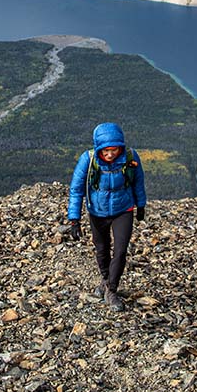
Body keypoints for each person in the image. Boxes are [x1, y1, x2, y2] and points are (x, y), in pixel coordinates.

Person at [66, 122, 146, 311]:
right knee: (102, 249)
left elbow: (138, 182)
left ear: (121, 146)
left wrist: (141, 205)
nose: (110, 155)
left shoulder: (130, 157)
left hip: (123, 210)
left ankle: (111, 290)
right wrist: (74, 219)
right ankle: (105, 279)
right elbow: (76, 190)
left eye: (114, 150)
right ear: (98, 147)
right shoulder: (88, 159)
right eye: (106, 151)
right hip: (97, 212)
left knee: (120, 251)